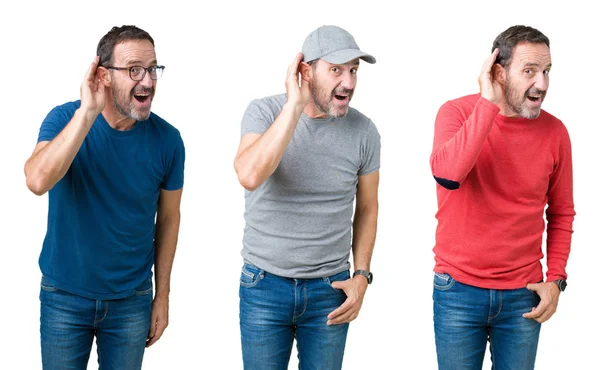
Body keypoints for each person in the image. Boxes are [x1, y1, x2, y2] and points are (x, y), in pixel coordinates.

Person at [24, 25, 185, 369]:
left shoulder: (168, 140)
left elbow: (169, 219)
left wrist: (163, 297)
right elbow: (37, 181)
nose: (148, 81)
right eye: (133, 70)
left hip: (131, 301)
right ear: (104, 75)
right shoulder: (65, 119)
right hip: (64, 297)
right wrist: (87, 113)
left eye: (153, 68)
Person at [234, 25, 380, 369]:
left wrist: (362, 276)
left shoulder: (365, 131)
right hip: (263, 286)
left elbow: (369, 208)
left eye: (354, 70)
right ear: (305, 71)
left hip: (330, 289)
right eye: (336, 70)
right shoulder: (264, 112)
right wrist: (294, 106)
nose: (349, 82)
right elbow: (249, 175)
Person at [430, 25, 575, 369]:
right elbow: (448, 175)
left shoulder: (556, 132)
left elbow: (562, 213)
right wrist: (487, 104)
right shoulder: (457, 113)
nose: (541, 84)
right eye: (529, 72)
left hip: (524, 294)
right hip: (457, 291)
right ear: (498, 72)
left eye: (546, 71)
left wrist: (555, 278)